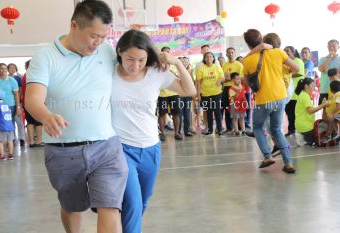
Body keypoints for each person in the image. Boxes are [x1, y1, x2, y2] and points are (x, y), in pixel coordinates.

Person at [25, 1, 128, 233]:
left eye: (103, 37)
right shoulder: (45, 56)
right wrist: (46, 116)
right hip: (63, 151)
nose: (98, 43)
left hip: (106, 147)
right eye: (94, 36)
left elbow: (133, 68)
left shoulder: (107, 51)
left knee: (110, 206)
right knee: (72, 206)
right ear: (74, 25)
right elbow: (32, 99)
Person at [111, 29, 196, 233]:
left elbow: (190, 91)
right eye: (130, 59)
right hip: (121, 148)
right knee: (132, 202)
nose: (136, 65)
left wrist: (176, 62)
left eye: (141, 60)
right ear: (120, 51)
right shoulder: (109, 72)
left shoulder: (156, 74)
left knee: (143, 201)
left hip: (151, 148)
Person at [242, 29, 299, 173]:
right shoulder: (278, 53)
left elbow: (248, 84)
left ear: (248, 45)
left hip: (263, 99)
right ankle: (289, 163)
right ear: (261, 38)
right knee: (277, 130)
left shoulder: (248, 60)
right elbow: (296, 68)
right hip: (280, 96)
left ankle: (267, 156)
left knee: (258, 128)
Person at [196, 52, 225, 136]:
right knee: (208, 112)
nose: (209, 58)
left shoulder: (217, 67)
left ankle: (219, 129)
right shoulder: (201, 69)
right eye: (207, 57)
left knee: (217, 111)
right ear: (204, 59)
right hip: (205, 94)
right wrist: (198, 95)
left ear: (213, 58)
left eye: (210, 57)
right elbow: (198, 83)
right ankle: (210, 129)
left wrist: (220, 80)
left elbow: (222, 77)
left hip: (217, 93)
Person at [295, 78, 330, 145]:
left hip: (304, 126)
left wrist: (322, 104)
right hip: (306, 128)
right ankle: (303, 139)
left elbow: (310, 109)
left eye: (315, 86)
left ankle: (302, 138)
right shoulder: (305, 96)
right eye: (312, 86)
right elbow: (310, 111)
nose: (314, 88)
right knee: (321, 141)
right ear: (306, 86)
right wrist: (323, 105)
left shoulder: (304, 95)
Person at [21, 60, 44, 147]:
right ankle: (38, 141)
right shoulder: (34, 75)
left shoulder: (25, 76)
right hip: (36, 102)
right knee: (38, 122)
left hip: (26, 102)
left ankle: (31, 142)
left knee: (30, 122)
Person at [284, 46, 305, 136]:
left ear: (293, 52)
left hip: (296, 93)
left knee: (296, 113)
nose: (286, 52)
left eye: (287, 51)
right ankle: (291, 130)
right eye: (284, 51)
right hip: (288, 93)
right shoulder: (285, 62)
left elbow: (299, 72)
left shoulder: (298, 61)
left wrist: (286, 75)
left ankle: (299, 131)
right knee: (289, 113)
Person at [0, 89, 15, 161]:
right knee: (10, 140)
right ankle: (10, 154)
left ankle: (2, 155)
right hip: (10, 125)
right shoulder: (6, 104)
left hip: (2, 126)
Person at [8, 63, 26, 146]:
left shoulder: (18, 78)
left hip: (17, 102)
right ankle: (13, 138)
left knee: (19, 121)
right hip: (9, 103)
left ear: (16, 69)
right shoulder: (5, 78)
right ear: (8, 69)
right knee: (11, 121)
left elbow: (20, 90)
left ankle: (22, 138)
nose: (12, 69)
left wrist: (19, 101)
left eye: (14, 68)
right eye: (10, 68)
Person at [318, 39, 340, 105]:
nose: (332, 47)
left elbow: (338, 71)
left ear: (338, 47)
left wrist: (327, 70)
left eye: (334, 45)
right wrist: (329, 57)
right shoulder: (322, 59)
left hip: (338, 89)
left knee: (337, 111)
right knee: (324, 111)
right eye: (330, 46)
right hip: (324, 89)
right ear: (327, 47)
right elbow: (321, 69)